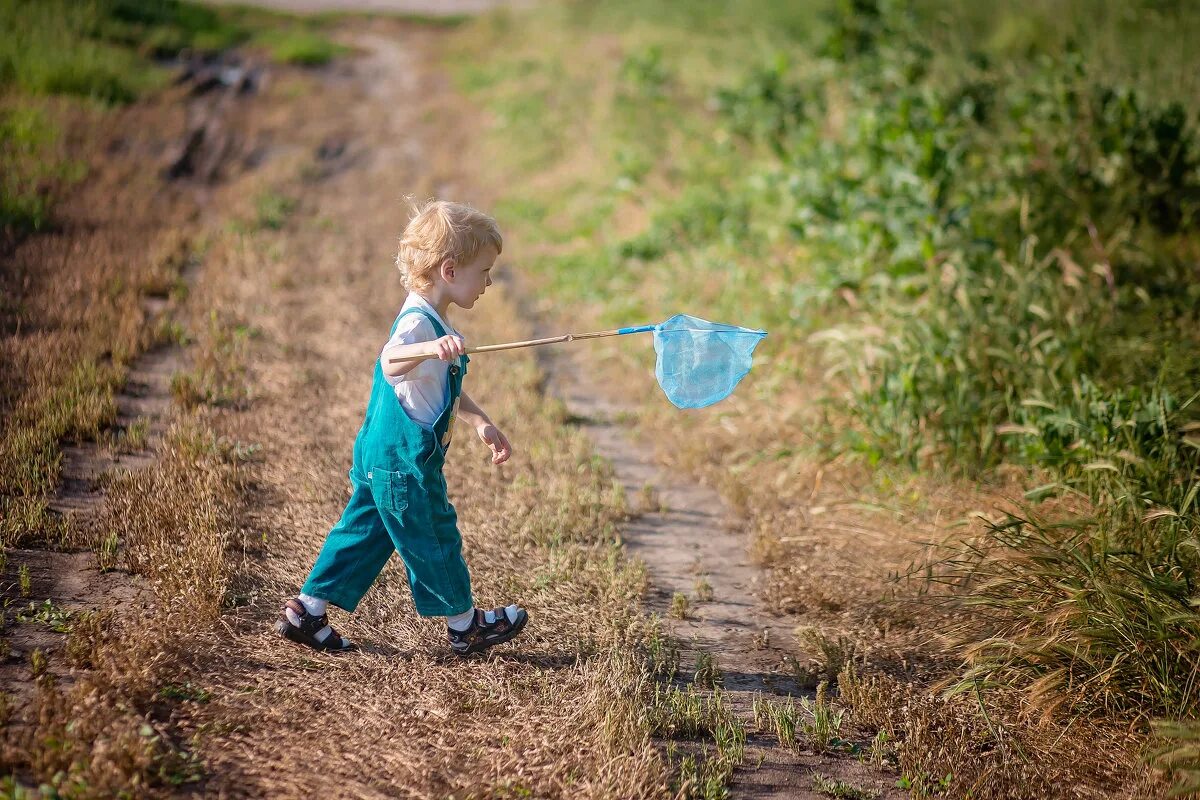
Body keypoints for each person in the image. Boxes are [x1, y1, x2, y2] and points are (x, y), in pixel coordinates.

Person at [276, 199, 528, 656]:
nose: (489, 282)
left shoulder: (431, 319)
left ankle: (307, 610)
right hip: (404, 465)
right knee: (433, 532)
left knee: (364, 534)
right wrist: (431, 349)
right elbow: (390, 360)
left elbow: (442, 387)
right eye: (485, 271)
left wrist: (480, 422)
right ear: (450, 271)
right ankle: (465, 625)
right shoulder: (416, 325)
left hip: (383, 458)